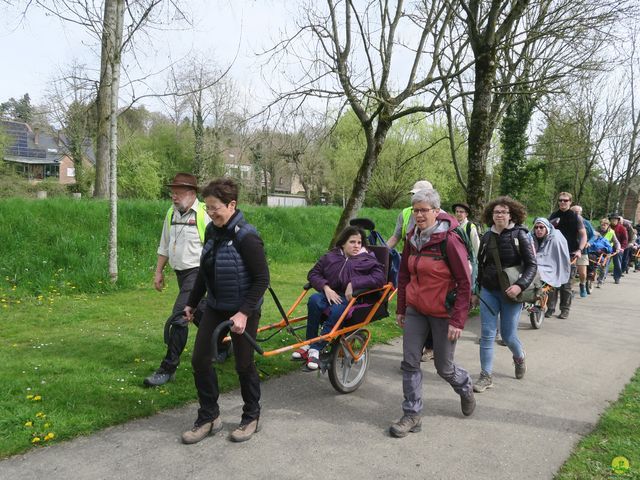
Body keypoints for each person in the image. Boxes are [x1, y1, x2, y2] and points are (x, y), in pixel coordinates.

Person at [181, 177, 269, 444]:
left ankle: (251, 416)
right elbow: (203, 273)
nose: (210, 213)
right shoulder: (212, 231)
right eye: (207, 208)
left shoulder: (247, 236)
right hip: (216, 308)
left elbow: (262, 279)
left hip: (244, 310)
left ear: (232, 204)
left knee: (243, 365)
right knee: (200, 360)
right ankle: (209, 417)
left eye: (215, 208)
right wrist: (192, 303)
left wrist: (243, 313)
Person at [389, 188, 475, 438]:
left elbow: (464, 282)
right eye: (415, 210)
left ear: (437, 212)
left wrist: (458, 320)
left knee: (444, 368)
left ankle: (465, 386)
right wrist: (402, 307)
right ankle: (412, 414)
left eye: (424, 210)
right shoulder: (412, 238)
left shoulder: (449, 240)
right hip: (416, 309)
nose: (418, 215)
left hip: (443, 313)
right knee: (409, 362)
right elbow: (404, 274)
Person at [144, 173, 212, 387]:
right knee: (200, 313)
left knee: (180, 316)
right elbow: (164, 245)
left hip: (198, 273)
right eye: (172, 192)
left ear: (191, 193)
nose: (173, 196)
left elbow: (214, 249)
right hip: (181, 274)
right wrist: (158, 271)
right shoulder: (171, 213)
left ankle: (168, 368)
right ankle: (221, 344)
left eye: (178, 192)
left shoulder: (204, 214)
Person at [292, 226, 386, 370]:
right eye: (352, 242)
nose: (356, 246)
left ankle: (316, 348)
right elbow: (313, 274)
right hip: (329, 293)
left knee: (336, 310)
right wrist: (325, 287)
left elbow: (379, 278)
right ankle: (309, 343)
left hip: (351, 298)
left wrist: (354, 283)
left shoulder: (367, 259)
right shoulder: (331, 256)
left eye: (359, 242)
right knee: (314, 300)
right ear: (343, 243)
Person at [472, 196, 537, 393]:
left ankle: (519, 357)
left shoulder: (521, 235)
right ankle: (486, 376)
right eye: (496, 212)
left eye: (503, 212)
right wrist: (477, 291)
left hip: (511, 293)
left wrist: (520, 286)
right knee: (487, 334)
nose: (499, 215)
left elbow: (532, 265)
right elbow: (481, 266)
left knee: (508, 336)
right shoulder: (487, 237)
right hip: (489, 291)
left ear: (511, 215)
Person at [386, 179, 435, 362]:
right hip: (410, 262)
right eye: (413, 195)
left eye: (418, 195)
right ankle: (412, 356)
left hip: (431, 268)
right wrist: (383, 251)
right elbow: (396, 236)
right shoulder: (405, 213)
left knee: (428, 309)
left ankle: (430, 346)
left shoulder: (440, 214)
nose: (414, 198)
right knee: (410, 306)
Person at [547, 192, 586, 319]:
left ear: (570, 202)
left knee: (566, 285)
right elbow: (545, 231)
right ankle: (550, 308)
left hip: (570, 254)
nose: (563, 202)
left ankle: (565, 309)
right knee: (552, 283)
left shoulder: (576, 217)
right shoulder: (553, 215)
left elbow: (583, 235)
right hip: (554, 254)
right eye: (560, 200)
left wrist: (580, 249)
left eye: (566, 200)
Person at [529, 218, 570, 288]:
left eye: (541, 227)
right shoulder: (530, 237)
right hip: (535, 263)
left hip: (550, 266)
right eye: (536, 227)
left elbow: (559, 257)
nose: (538, 229)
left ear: (547, 228)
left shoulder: (555, 238)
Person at [570, 205, 596, 297]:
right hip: (570, 250)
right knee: (570, 272)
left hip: (582, 250)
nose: (576, 213)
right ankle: (570, 289)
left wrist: (589, 242)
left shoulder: (586, 223)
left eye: (578, 212)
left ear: (581, 213)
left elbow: (594, 235)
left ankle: (582, 284)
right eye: (574, 212)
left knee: (582, 273)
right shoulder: (568, 221)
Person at [596, 218, 621, 285]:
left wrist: (618, 248)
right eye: (602, 225)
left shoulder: (611, 232)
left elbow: (616, 242)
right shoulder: (596, 231)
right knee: (594, 263)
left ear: (608, 225)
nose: (603, 227)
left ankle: (601, 279)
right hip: (597, 249)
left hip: (607, 251)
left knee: (603, 265)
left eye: (605, 225)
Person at [609, 214, 628, 284]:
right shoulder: (608, 227)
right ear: (610, 220)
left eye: (615, 219)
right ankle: (602, 277)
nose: (613, 220)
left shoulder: (622, 228)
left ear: (618, 220)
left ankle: (617, 277)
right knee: (605, 262)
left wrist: (622, 248)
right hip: (608, 247)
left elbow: (625, 239)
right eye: (612, 219)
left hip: (618, 248)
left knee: (617, 263)